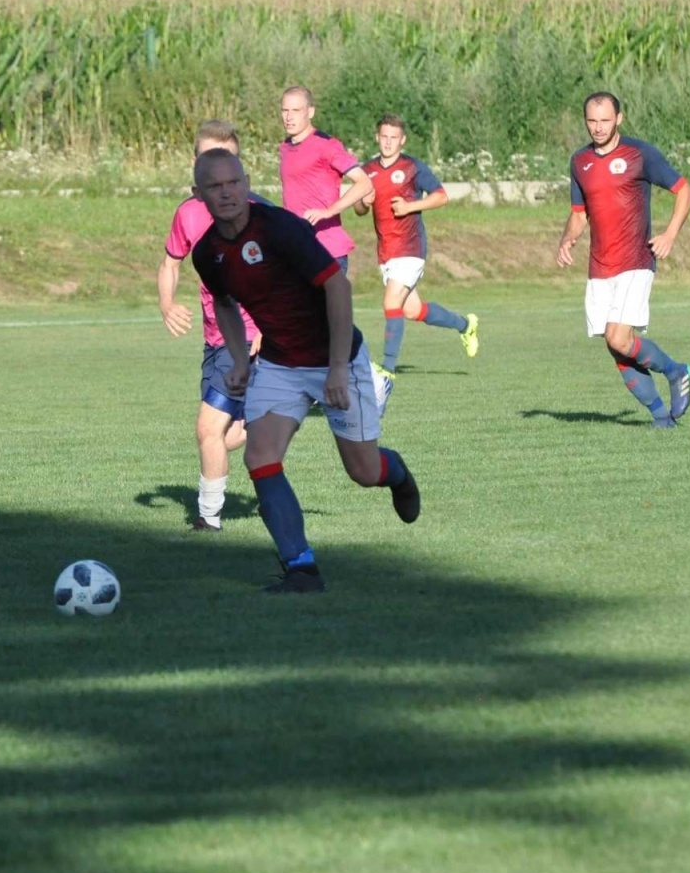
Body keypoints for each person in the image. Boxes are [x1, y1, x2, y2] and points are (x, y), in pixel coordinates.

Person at [190, 148, 420, 594]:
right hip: (279, 362)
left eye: (234, 182)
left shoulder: (279, 228)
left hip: (337, 355)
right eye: (215, 187)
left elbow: (338, 285)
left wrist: (336, 367)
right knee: (260, 457)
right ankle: (301, 569)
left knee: (362, 470)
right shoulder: (209, 253)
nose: (227, 193)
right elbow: (223, 303)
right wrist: (240, 360)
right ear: (198, 194)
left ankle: (396, 473)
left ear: (246, 181)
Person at [556, 92, 690, 428]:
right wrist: (567, 239)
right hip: (599, 266)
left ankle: (676, 370)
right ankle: (662, 418)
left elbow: (685, 191)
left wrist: (669, 234)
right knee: (616, 347)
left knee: (619, 337)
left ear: (619, 118)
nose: (598, 127)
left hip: (635, 259)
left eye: (605, 120)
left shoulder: (639, 153)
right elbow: (579, 214)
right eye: (592, 121)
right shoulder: (579, 162)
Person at [158, 119, 262, 530]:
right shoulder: (187, 214)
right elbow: (170, 262)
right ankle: (286, 408)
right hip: (215, 339)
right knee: (227, 434)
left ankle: (207, 518)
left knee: (207, 429)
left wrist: (268, 330)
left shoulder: (259, 214)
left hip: (248, 338)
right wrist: (166, 302)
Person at [354, 113, 479, 408]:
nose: (388, 142)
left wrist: (411, 205)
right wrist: (363, 202)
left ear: (402, 140)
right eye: (383, 137)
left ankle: (387, 368)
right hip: (386, 252)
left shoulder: (412, 167)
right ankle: (465, 325)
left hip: (410, 249)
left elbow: (441, 196)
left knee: (390, 303)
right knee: (411, 310)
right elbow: (358, 208)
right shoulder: (367, 170)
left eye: (393, 138)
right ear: (377, 137)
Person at [278, 86, 373, 274]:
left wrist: (329, 211)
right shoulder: (285, 147)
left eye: (296, 110)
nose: (289, 117)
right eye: (285, 110)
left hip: (327, 250)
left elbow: (364, 183)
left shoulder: (326, 145)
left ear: (310, 112)